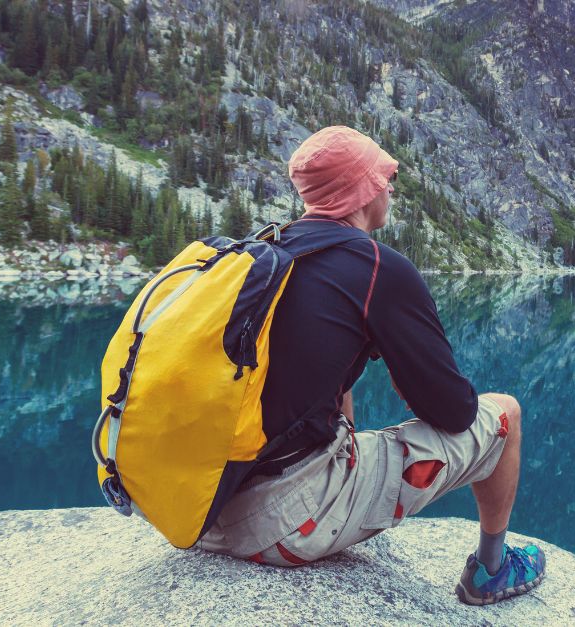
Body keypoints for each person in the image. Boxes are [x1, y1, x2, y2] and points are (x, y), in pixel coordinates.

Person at [197, 126, 546, 605]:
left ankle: (335, 489)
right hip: (279, 526)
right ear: (362, 190)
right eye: (385, 177)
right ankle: (492, 570)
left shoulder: (270, 252)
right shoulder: (378, 268)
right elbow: (455, 413)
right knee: (504, 413)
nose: (391, 187)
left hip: (203, 507)